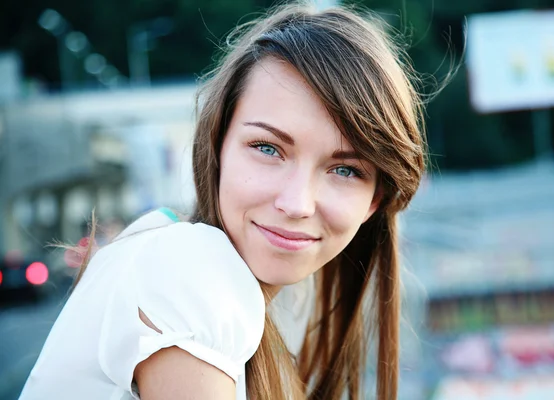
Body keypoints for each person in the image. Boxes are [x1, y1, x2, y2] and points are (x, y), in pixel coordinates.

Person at [19, 1, 426, 399]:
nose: (298, 203)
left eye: (345, 170)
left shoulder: (204, 268)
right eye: (268, 148)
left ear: (375, 200)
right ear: (217, 148)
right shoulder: (187, 270)